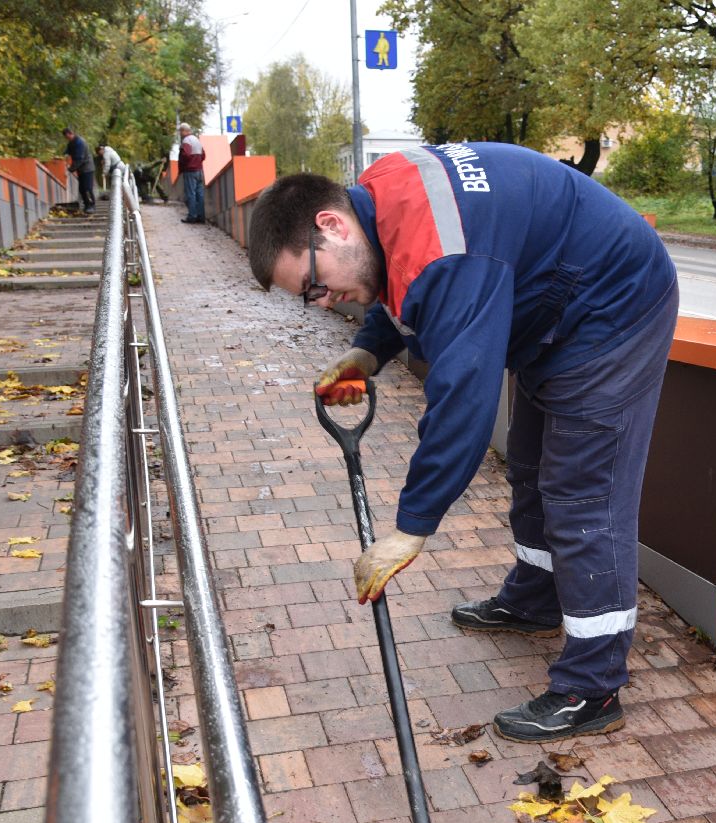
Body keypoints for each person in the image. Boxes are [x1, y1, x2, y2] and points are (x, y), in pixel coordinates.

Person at [248, 144, 678, 743]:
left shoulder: (445, 249)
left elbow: (462, 400)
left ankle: (593, 684)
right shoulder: (378, 200)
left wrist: (410, 528)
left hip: (613, 304)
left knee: (584, 494)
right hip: (552, 306)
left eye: (314, 287)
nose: (322, 302)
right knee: (530, 469)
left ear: (330, 224)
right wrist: (367, 351)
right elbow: (405, 281)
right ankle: (535, 601)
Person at [177, 123, 205, 223]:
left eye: (180, 131)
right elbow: (203, 156)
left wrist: (183, 167)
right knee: (200, 194)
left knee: (191, 194)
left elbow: (185, 155)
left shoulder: (186, 141)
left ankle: (192, 216)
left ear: (185, 131)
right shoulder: (196, 140)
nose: (180, 133)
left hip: (190, 171)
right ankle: (201, 216)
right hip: (199, 171)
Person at [63, 127, 94, 213]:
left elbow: (79, 159)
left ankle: (91, 205)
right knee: (82, 189)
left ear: (70, 134)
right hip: (81, 169)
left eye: (67, 136)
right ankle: (86, 204)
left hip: (87, 168)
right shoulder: (72, 143)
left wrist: (70, 170)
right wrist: (65, 155)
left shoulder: (80, 143)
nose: (67, 139)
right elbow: (68, 150)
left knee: (87, 188)